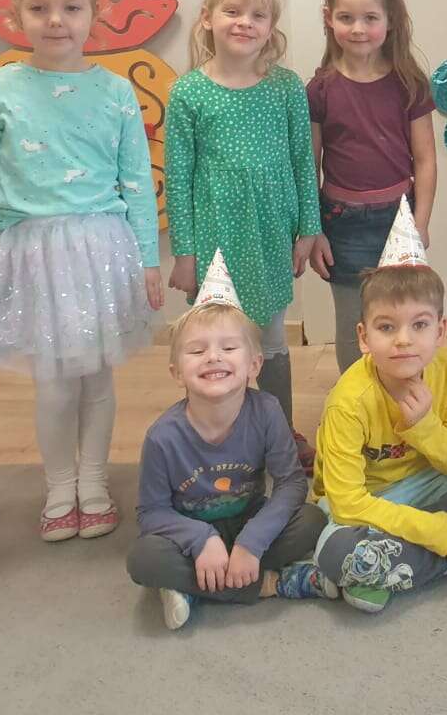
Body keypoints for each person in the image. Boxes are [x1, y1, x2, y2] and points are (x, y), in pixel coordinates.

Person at [0, 0, 163, 541]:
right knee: (53, 382)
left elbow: (136, 184)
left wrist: (148, 259)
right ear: (15, 14)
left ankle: (95, 481)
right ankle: (59, 487)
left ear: (94, 15)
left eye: (71, 7)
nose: (56, 20)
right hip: (32, 252)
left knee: (97, 377)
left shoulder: (114, 92)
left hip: (100, 249)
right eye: (40, 7)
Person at [277, 200, 447, 614]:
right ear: (363, 337)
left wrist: (425, 426)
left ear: (440, 331)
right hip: (368, 503)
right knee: (334, 552)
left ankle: (386, 566)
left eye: (420, 325)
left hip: (430, 486)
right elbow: (347, 503)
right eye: (387, 327)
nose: (404, 340)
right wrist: (435, 530)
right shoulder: (348, 400)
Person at [165, 0, 325, 436]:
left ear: (270, 26)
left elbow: (304, 162)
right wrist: (184, 253)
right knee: (215, 341)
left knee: (271, 340)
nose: (244, 23)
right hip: (214, 237)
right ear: (207, 18)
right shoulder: (189, 92)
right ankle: (219, 436)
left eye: (258, 15)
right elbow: (179, 178)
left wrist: (308, 229)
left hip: (270, 234)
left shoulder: (286, 88)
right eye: (232, 11)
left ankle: (278, 435)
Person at [126, 250, 326, 630]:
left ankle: (193, 587)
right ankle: (270, 584)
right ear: (176, 372)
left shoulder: (267, 412)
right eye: (197, 350)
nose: (213, 357)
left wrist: (252, 541)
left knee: (312, 520)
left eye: (229, 348)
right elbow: (151, 513)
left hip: (250, 520)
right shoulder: (162, 437)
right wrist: (200, 539)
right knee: (143, 559)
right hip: (189, 536)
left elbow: (290, 483)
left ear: (254, 364)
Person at [309, 0, 435, 375]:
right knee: (352, 328)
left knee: (401, 321)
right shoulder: (320, 89)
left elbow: (425, 159)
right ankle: (355, 404)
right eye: (346, 18)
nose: (358, 28)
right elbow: (309, 163)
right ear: (329, 19)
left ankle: (400, 400)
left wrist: (420, 222)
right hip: (341, 221)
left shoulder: (408, 83)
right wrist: (313, 229)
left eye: (369, 18)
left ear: (389, 21)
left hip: (397, 217)